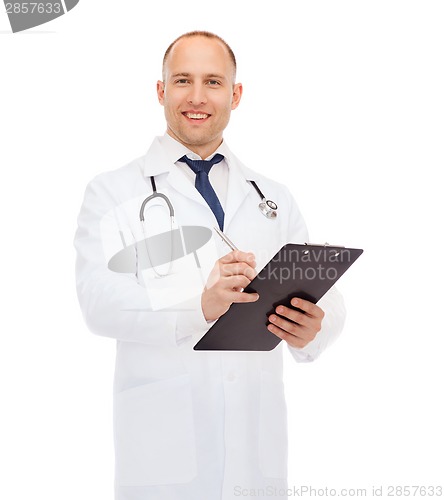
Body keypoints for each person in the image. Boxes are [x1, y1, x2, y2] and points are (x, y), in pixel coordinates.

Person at [74, 31, 346, 500]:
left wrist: (315, 327)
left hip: (257, 462)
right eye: (182, 80)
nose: (197, 97)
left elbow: (328, 296)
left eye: (214, 82)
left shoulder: (272, 198)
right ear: (161, 91)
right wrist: (198, 305)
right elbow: (98, 302)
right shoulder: (113, 192)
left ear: (235, 95)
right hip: (162, 459)